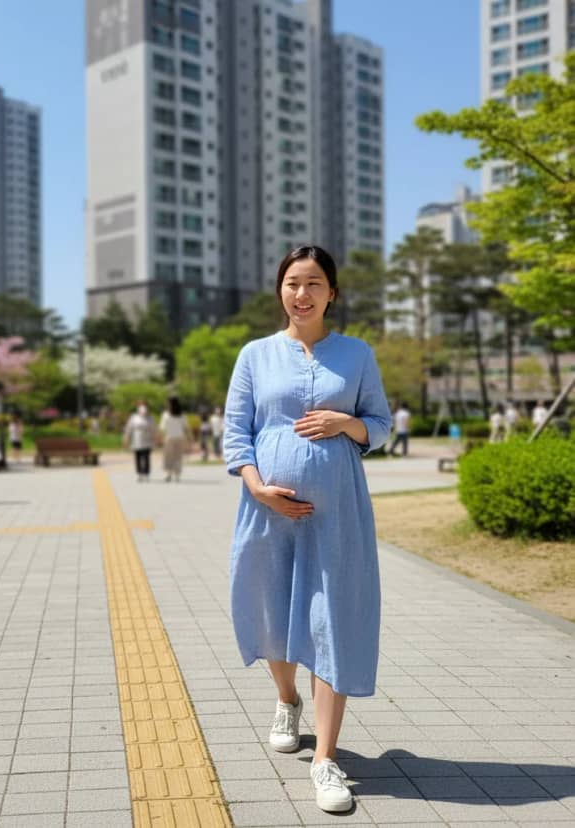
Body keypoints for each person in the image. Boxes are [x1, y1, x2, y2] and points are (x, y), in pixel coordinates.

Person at [223, 245, 391, 814]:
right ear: (280, 291)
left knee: (331, 622)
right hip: (268, 511)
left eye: (314, 283)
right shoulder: (255, 355)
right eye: (293, 282)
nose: (302, 293)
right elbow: (236, 432)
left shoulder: (357, 354)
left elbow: (381, 425)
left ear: (332, 293)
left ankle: (325, 759)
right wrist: (254, 484)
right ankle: (286, 698)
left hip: (337, 515)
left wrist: (349, 422)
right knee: (271, 608)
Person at [159, 396, 192, 482]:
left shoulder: (181, 415)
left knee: (177, 456)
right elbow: (162, 428)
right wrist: (160, 438)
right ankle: (169, 473)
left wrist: (190, 439)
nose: (167, 404)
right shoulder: (166, 414)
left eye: (168, 403)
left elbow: (186, 428)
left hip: (178, 438)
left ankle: (176, 474)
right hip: (170, 438)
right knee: (169, 457)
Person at [123, 401, 156, 482]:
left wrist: (155, 439)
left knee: (146, 457)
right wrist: (126, 439)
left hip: (147, 439)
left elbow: (154, 429)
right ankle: (139, 473)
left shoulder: (150, 418)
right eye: (140, 406)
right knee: (138, 457)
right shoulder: (133, 417)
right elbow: (128, 428)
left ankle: (146, 473)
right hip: (136, 440)